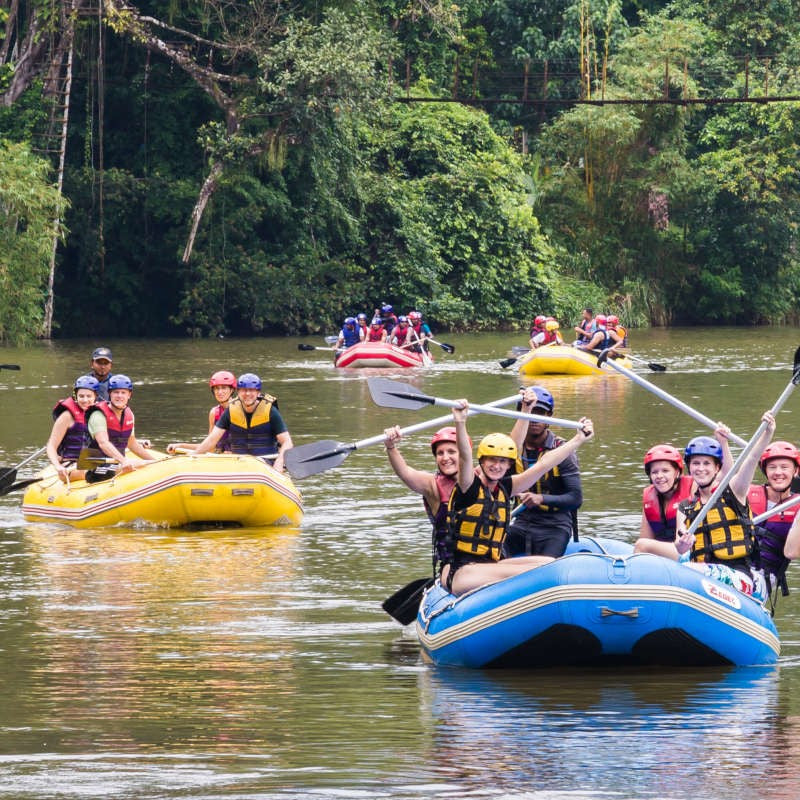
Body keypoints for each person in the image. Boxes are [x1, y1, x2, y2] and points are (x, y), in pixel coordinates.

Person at [440, 400, 594, 596]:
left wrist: (578, 439)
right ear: (482, 461)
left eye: (502, 462)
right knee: (541, 572)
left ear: (508, 465)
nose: (497, 466)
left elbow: (544, 464)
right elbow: (464, 456)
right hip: (461, 572)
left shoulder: (505, 487)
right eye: (491, 460)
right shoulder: (469, 486)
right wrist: (460, 422)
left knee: (550, 564)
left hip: (488, 567)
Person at [675, 414, 776, 581]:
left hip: (738, 573)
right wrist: (684, 544)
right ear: (689, 468)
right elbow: (679, 547)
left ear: (717, 468)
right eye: (695, 463)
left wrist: (767, 433)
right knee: (683, 566)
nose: (701, 469)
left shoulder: (734, 491)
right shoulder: (686, 507)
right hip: (701, 573)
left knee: (687, 570)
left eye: (707, 463)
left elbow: (751, 459)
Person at [506, 386, 583, 557]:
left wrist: (540, 498)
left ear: (549, 417)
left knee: (545, 563)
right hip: (522, 522)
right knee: (493, 553)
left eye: (540, 413)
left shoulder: (562, 450)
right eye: (530, 411)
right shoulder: (511, 448)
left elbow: (576, 498)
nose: (534, 418)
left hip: (554, 525)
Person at [634, 426, 733, 557]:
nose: (659, 476)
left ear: (677, 472)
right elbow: (646, 538)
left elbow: (727, 473)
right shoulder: (650, 498)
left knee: (642, 545)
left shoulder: (694, 486)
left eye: (665, 471)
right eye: (654, 472)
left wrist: (723, 443)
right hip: (669, 553)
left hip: (691, 550)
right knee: (642, 544)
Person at [383, 425, 467, 576]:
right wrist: (391, 446)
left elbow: (507, 454)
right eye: (440, 453)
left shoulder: (480, 479)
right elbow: (405, 472)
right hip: (454, 567)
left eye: (451, 452)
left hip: (483, 560)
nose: (445, 458)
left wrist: (525, 410)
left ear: (464, 453)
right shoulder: (432, 486)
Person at [187, 373, 293, 472]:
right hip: (238, 464)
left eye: (251, 390)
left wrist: (279, 462)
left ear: (258, 392)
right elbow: (211, 440)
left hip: (266, 463)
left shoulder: (270, 411)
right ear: (238, 392)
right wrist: (193, 457)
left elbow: (287, 442)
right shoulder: (231, 410)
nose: (247, 394)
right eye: (243, 390)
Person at [748, 441, 800, 596]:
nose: (778, 472)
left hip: (762, 580)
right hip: (733, 566)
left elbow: (791, 552)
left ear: (795, 471)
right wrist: (723, 442)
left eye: (784, 467)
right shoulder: (747, 493)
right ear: (765, 471)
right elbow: (723, 480)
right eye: (772, 467)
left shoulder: (798, 506)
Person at [84, 374, 159, 480]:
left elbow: (131, 443)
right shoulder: (98, 415)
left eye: (123, 392)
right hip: (97, 465)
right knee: (140, 464)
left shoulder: (129, 414)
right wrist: (124, 461)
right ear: (110, 394)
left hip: (117, 463)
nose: (119, 396)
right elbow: (103, 443)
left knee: (148, 464)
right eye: (116, 392)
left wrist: (156, 462)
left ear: (129, 395)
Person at [167, 370, 237, 454]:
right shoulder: (214, 413)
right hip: (220, 457)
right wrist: (180, 445)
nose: (220, 392)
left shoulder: (240, 409)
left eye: (224, 388)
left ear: (232, 390)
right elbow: (209, 446)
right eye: (217, 388)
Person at [45, 375, 100, 482]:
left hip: (93, 461)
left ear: (95, 396)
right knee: (96, 472)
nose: (85, 400)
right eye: (81, 396)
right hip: (71, 465)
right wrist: (57, 466)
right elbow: (51, 446)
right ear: (76, 396)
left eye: (89, 396)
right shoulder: (67, 416)